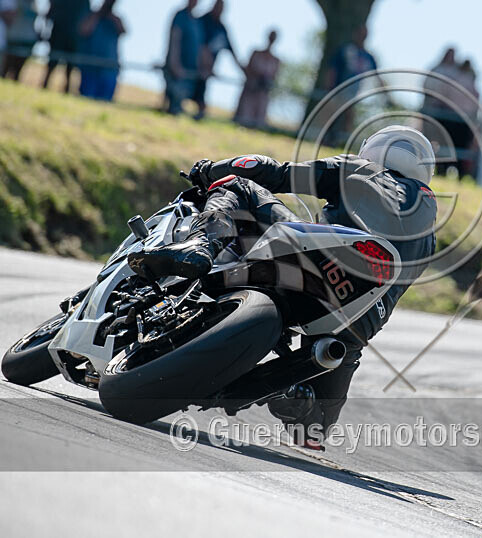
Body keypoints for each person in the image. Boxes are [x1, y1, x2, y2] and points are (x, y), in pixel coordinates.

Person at [127, 126, 438, 449]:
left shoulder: (361, 169)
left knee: (239, 185)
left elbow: (269, 171)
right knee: (314, 428)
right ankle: (290, 393)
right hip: (356, 316)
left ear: (376, 150)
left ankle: (200, 246)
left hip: (319, 259)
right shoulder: (429, 235)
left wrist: (209, 170)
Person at [324, 25, 378, 143]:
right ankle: (325, 140)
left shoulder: (367, 57)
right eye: (360, 34)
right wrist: (330, 87)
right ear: (355, 34)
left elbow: (376, 76)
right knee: (331, 117)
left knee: (348, 118)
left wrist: (386, 95)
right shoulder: (345, 50)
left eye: (364, 35)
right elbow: (332, 69)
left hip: (353, 95)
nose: (361, 37)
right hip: (338, 90)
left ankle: (342, 142)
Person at [194, 0, 240, 120]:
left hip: (206, 71)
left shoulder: (222, 28)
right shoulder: (202, 20)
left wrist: (244, 73)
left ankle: (199, 115)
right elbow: (200, 46)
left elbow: (232, 52)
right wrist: (204, 63)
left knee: (201, 94)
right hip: (193, 66)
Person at [77, 0, 125, 101]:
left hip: (109, 69)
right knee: (86, 99)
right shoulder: (92, 16)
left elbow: (123, 31)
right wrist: (98, 15)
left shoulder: (115, 19)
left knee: (105, 101)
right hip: (90, 67)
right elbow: (84, 30)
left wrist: (110, 16)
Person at [234, 29, 280, 129]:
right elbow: (248, 70)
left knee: (257, 124)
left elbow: (274, 78)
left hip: (262, 95)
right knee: (243, 119)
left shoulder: (276, 60)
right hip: (250, 91)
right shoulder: (256, 53)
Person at [42, 0, 90, 93]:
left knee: (70, 66)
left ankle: (67, 89)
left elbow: (85, 18)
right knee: (52, 62)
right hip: (59, 33)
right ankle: (45, 85)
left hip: (73, 36)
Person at [164, 0, 202, 116]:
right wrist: (174, 63)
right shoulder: (181, 16)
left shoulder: (196, 21)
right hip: (178, 69)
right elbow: (175, 39)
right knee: (174, 102)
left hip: (189, 71)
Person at [3, 0, 37, 81]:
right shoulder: (15, 3)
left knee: (18, 69)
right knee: (6, 67)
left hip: (28, 40)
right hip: (14, 38)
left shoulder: (34, 5)